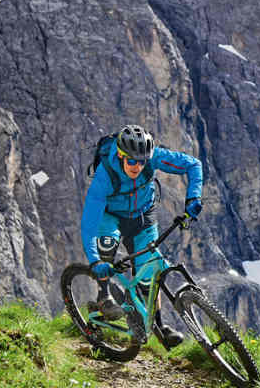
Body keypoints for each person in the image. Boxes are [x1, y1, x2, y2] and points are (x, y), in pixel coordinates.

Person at [80, 124, 203, 348]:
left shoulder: (153, 157)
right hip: (111, 216)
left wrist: (193, 198)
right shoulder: (105, 176)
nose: (138, 166)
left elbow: (193, 165)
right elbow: (89, 223)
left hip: (143, 215)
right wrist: (95, 261)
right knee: (105, 246)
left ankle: (159, 325)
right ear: (120, 155)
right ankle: (104, 296)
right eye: (132, 161)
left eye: (142, 161)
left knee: (149, 272)